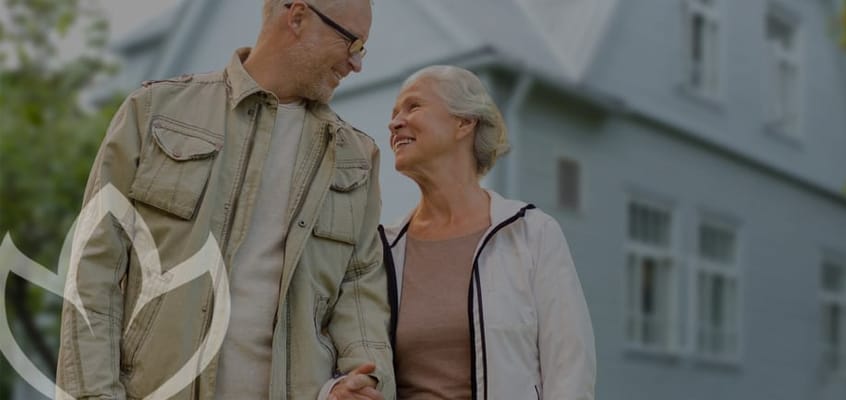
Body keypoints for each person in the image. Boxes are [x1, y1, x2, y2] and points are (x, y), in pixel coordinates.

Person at [55, 1, 394, 399]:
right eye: (352, 43)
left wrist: (365, 379)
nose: (356, 65)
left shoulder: (356, 157)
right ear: (298, 17)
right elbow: (93, 272)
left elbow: (360, 291)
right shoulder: (153, 113)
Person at [381, 65, 597, 399]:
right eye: (394, 113)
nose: (394, 122)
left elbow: (570, 369)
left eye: (413, 107)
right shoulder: (383, 248)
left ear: (464, 123)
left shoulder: (531, 233)